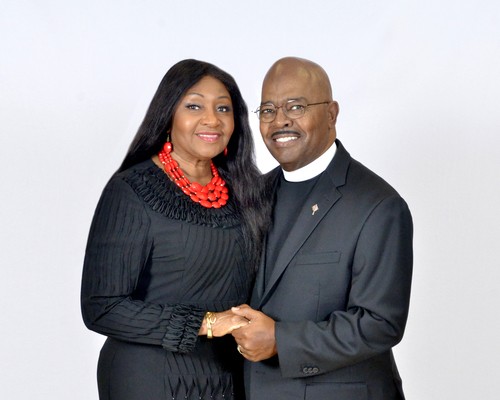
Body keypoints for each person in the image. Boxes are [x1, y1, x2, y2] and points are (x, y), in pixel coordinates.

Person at [81, 59, 267, 400]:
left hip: (229, 377)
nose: (212, 119)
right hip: (150, 377)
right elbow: (102, 307)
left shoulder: (246, 191)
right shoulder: (132, 190)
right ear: (168, 116)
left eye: (223, 108)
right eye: (194, 106)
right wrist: (209, 323)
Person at [231, 57, 413, 399]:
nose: (280, 121)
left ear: (331, 114)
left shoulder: (377, 204)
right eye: (268, 110)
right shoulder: (251, 196)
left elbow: (380, 323)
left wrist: (280, 341)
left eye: (296, 107)